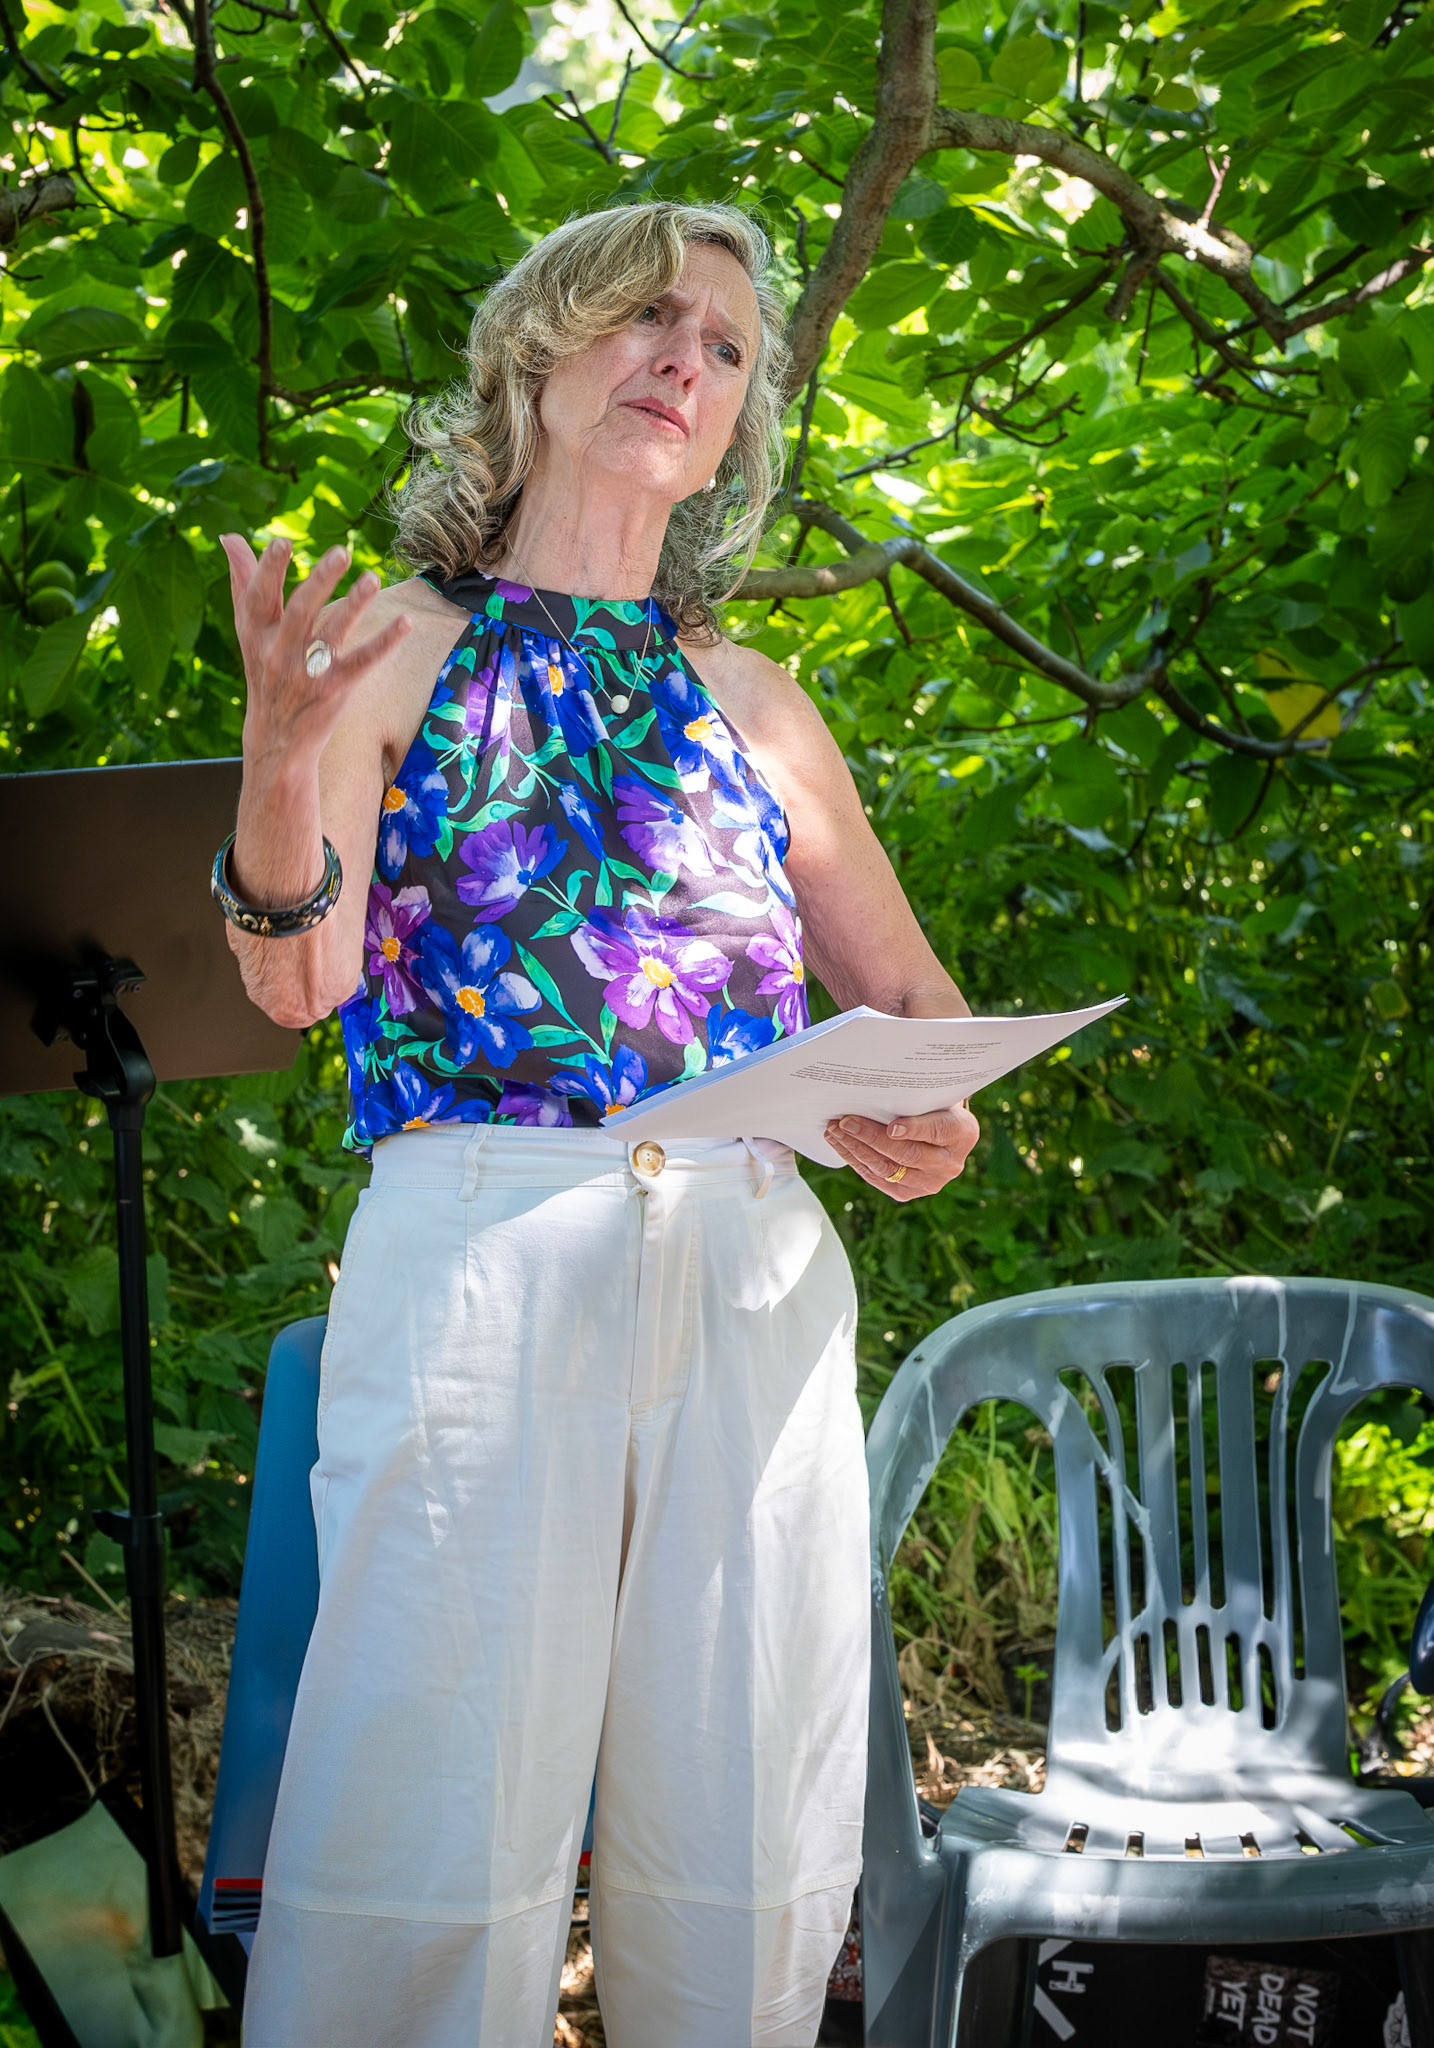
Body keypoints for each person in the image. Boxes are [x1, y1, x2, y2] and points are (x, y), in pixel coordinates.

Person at [217, 199, 979, 2048]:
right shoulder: (389, 646)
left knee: (740, 1802)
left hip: (747, 1273)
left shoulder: (761, 705)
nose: (683, 363)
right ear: (536, 360)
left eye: (723, 352)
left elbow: (922, 1023)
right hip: (481, 1253)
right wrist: (273, 753)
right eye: (647, 320)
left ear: (734, 433)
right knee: (430, 1796)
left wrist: (923, 1124)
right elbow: (294, 986)